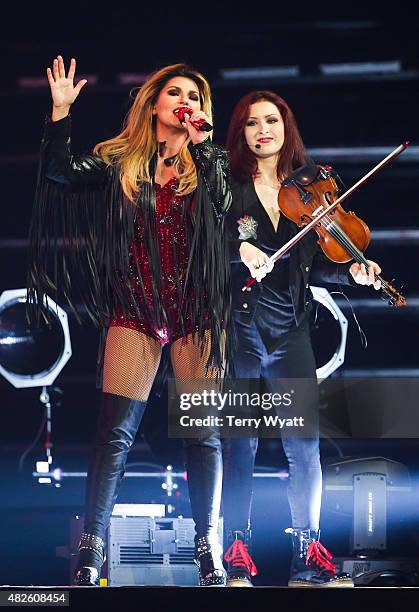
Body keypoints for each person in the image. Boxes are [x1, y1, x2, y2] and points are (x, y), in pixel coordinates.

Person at [28, 56, 232, 586]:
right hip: (136, 309)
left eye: (195, 96)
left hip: (197, 312)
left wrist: (205, 144)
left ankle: (208, 548)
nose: (185, 101)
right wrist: (60, 112)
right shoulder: (122, 161)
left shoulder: (210, 163)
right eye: (176, 94)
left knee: (202, 434)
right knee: (113, 435)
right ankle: (92, 553)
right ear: (155, 104)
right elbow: (59, 174)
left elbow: (223, 205)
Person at [221, 90, 382, 587]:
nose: (263, 129)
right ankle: (234, 549)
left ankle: (307, 551)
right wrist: (240, 248)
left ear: (286, 128)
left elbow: (316, 266)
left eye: (272, 120)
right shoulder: (225, 186)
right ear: (241, 132)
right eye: (252, 123)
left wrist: (355, 270)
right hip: (240, 327)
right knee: (240, 443)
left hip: (291, 330)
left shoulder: (307, 194)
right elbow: (205, 243)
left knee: (304, 445)